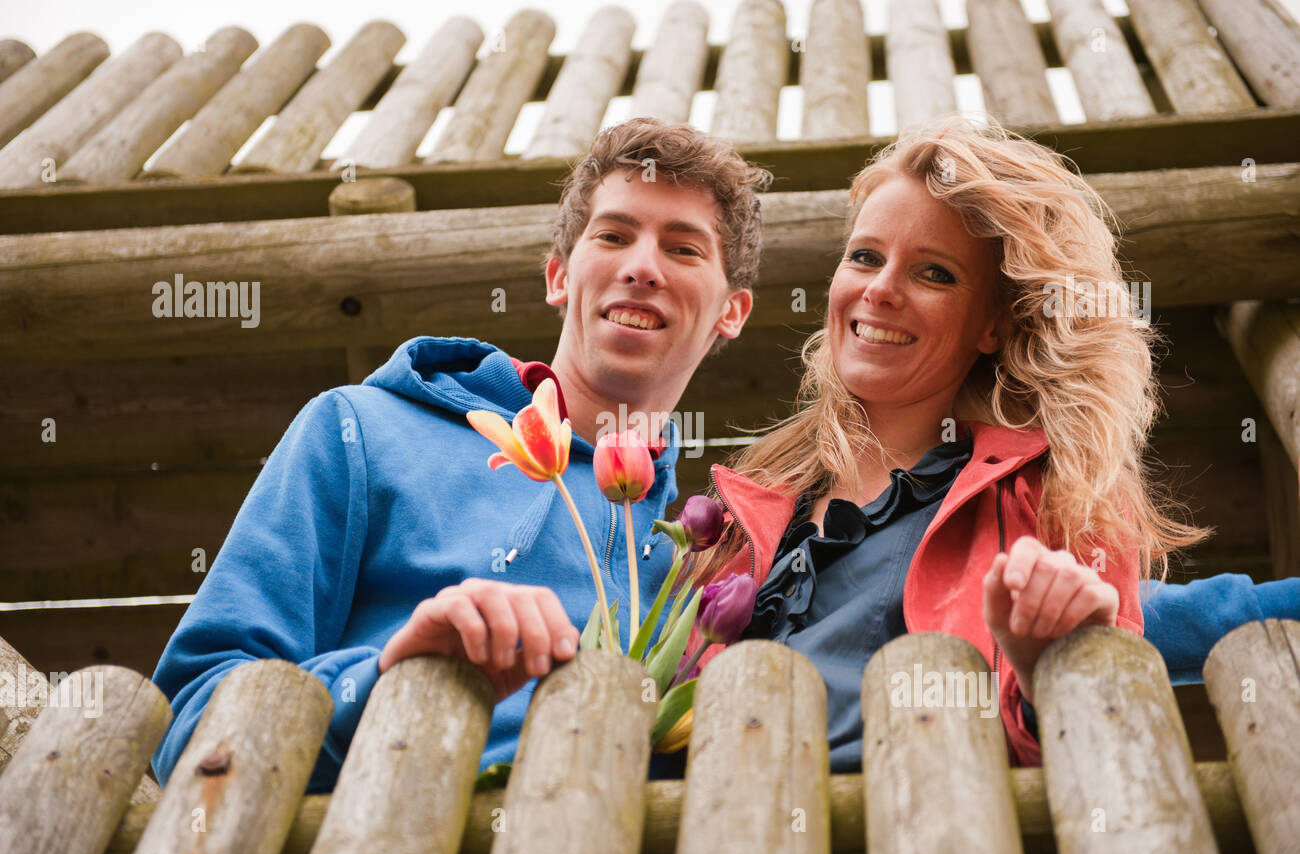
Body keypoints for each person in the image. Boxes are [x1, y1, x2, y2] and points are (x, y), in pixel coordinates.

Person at [149, 118, 772, 793]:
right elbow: (189, 723)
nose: (641, 267)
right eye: (613, 235)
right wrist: (387, 678)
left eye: (682, 249)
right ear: (560, 276)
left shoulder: (700, 570)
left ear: (732, 313)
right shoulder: (359, 430)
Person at [682, 115, 1217, 770]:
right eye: (865, 257)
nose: (879, 290)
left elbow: (1099, 751)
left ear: (993, 324)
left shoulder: (1058, 504)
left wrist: (1043, 666)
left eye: (933, 273)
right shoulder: (746, 500)